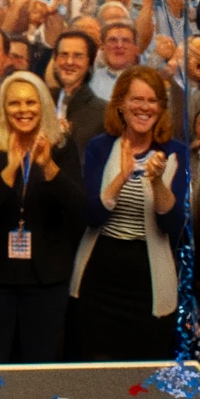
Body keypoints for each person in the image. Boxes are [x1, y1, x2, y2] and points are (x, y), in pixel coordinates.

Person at [70, 66, 187, 360]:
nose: (144, 108)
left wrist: (158, 181)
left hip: (148, 282)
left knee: (144, 373)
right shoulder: (100, 146)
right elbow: (91, 216)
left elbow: (172, 225)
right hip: (98, 279)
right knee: (94, 369)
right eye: (136, 99)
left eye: (152, 101)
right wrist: (121, 177)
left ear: (161, 107)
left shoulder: (176, 153)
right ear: (120, 104)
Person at [0, 72, 85, 363]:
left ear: (44, 105)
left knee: (39, 365)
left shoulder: (61, 147)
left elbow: (79, 206)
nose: (23, 110)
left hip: (47, 278)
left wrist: (47, 168)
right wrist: (9, 170)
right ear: (3, 109)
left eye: (31, 102)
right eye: (15, 103)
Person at [52, 30, 106, 164]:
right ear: (55, 60)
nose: (69, 62)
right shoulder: (41, 101)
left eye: (78, 56)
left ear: (89, 62)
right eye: (64, 55)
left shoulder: (103, 113)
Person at [89, 21, 139, 101]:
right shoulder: (90, 80)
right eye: (113, 40)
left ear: (135, 48)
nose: (119, 46)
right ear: (102, 47)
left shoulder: (145, 79)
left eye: (126, 40)